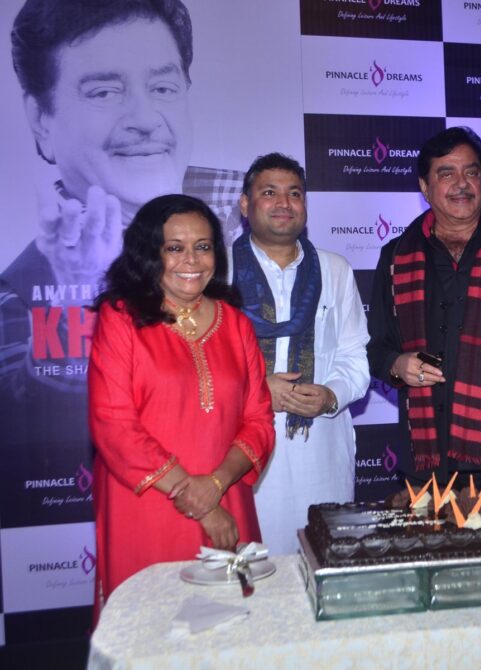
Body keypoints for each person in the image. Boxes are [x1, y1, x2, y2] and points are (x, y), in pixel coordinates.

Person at [0, 0, 243, 449]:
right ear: (41, 120)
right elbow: (31, 428)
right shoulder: (17, 294)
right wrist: (82, 292)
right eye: (104, 92)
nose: (146, 120)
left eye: (164, 88)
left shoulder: (244, 221)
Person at [88, 194, 275, 616]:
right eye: (174, 247)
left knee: (231, 634)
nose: (191, 259)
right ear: (149, 253)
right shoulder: (120, 318)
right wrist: (199, 500)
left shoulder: (237, 323)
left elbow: (259, 420)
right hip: (148, 504)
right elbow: (114, 425)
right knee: (152, 630)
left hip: (226, 499)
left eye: (203, 246)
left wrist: (215, 488)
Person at [367, 126, 481, 527]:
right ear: (425, 188)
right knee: (432, 581)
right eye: (447, 174)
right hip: (425, 462)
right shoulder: (395, 258)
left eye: (472, 172)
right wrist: (397, 364)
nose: (462, 184)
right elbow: (376, 349)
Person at [232, 153, 370, 555]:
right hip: (241, 454)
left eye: (294, 194)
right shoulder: (217, 271)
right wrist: (257, 391)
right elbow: (198, 372)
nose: (283, 203)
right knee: (252, 575)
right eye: (269, 193)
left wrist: (330, 396)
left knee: (324, 565)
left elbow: (355, 358)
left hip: (322, 451)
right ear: (245, 204)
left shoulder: (334, 269)